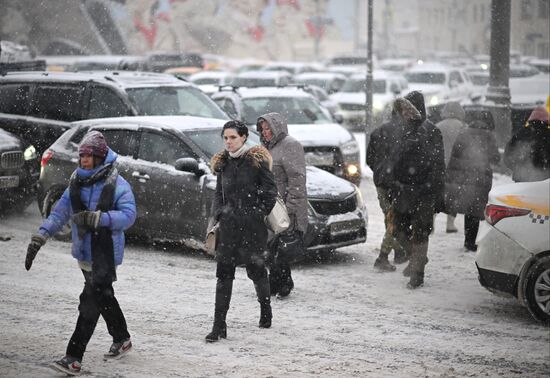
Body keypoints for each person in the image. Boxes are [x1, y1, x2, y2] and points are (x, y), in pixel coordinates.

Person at [24, 131, 137, 376]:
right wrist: (40, 236)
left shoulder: (116, 183)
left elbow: (129, 216)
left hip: (105, 253)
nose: (84, 160)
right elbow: (60, 212)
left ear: (100, 157)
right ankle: (122, 338)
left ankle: (73, 358)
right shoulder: (76, 180)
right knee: (103, 296)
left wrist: (100, 218)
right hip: (85, 252)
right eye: (82, 155)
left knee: (89, 303)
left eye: (89, 156)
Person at [206, 120, 278, 342]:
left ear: (244, 137)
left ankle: (265, 310)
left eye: (233, 137)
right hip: (229, 228)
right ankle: (219, 325)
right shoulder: (223, 163)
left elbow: (270, 192)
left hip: (252, 228)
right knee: (223, 274)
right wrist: (220, 213)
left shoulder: (256, 161)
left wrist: (257, 213)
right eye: (225, 138)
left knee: (256, 270)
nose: (228, 142)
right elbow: (219, 192)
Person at [390, 95, 445, 289]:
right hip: (403, 190)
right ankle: (417, 258)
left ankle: (417, 275)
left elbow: (438, 165)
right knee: (398, 230)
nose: (405, 113)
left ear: (417, 110)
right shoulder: (401, 129)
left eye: (408, 109)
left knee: (421, 233)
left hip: (424, 192)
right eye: (403, 110)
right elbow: (394, 158)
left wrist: (437, 193)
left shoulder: (431, 131)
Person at [256, 112, 307, 297]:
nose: (265, 132)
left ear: (277, 127)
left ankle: (279, 285)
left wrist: (290, 207)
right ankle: (281, 283)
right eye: (262, 129)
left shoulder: (290, 145)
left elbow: (297, 179)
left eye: (268, 128)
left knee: (281, 247)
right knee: (272, 247)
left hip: (284, 207)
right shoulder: (265, 147)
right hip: (270, 205)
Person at [445, 110, 500, 251]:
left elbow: (454, 156)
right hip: (482, 177)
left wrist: (452, 174)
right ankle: (471, 241)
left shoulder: (464, 133)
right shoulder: (489, 136)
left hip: (464, 176)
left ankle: (468, 241)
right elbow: (496, 158)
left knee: (469, 206)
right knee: (476, 209)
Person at [366, 106, 407, 272]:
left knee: (388, 216)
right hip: (396, 181)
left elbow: (369, 159)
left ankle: (397, 250)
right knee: (394, 219)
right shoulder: (405, 133)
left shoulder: (378, 132)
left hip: (381, 181)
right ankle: (383, 257)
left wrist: (379, 171)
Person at [435, 102, 467, 233]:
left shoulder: (437, 127)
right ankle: (450, 224)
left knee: (437, 195)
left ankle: (431, 223)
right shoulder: (463, 128)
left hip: (440, 165)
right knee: (453, 195)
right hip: (456, 166)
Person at [504, 106, 550, 182]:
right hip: (545, 181)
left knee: (522, 194)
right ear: (546, 120)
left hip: (522, 180)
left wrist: (518, 169)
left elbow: (507, 157)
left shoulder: (520, 134)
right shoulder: (548, 134)